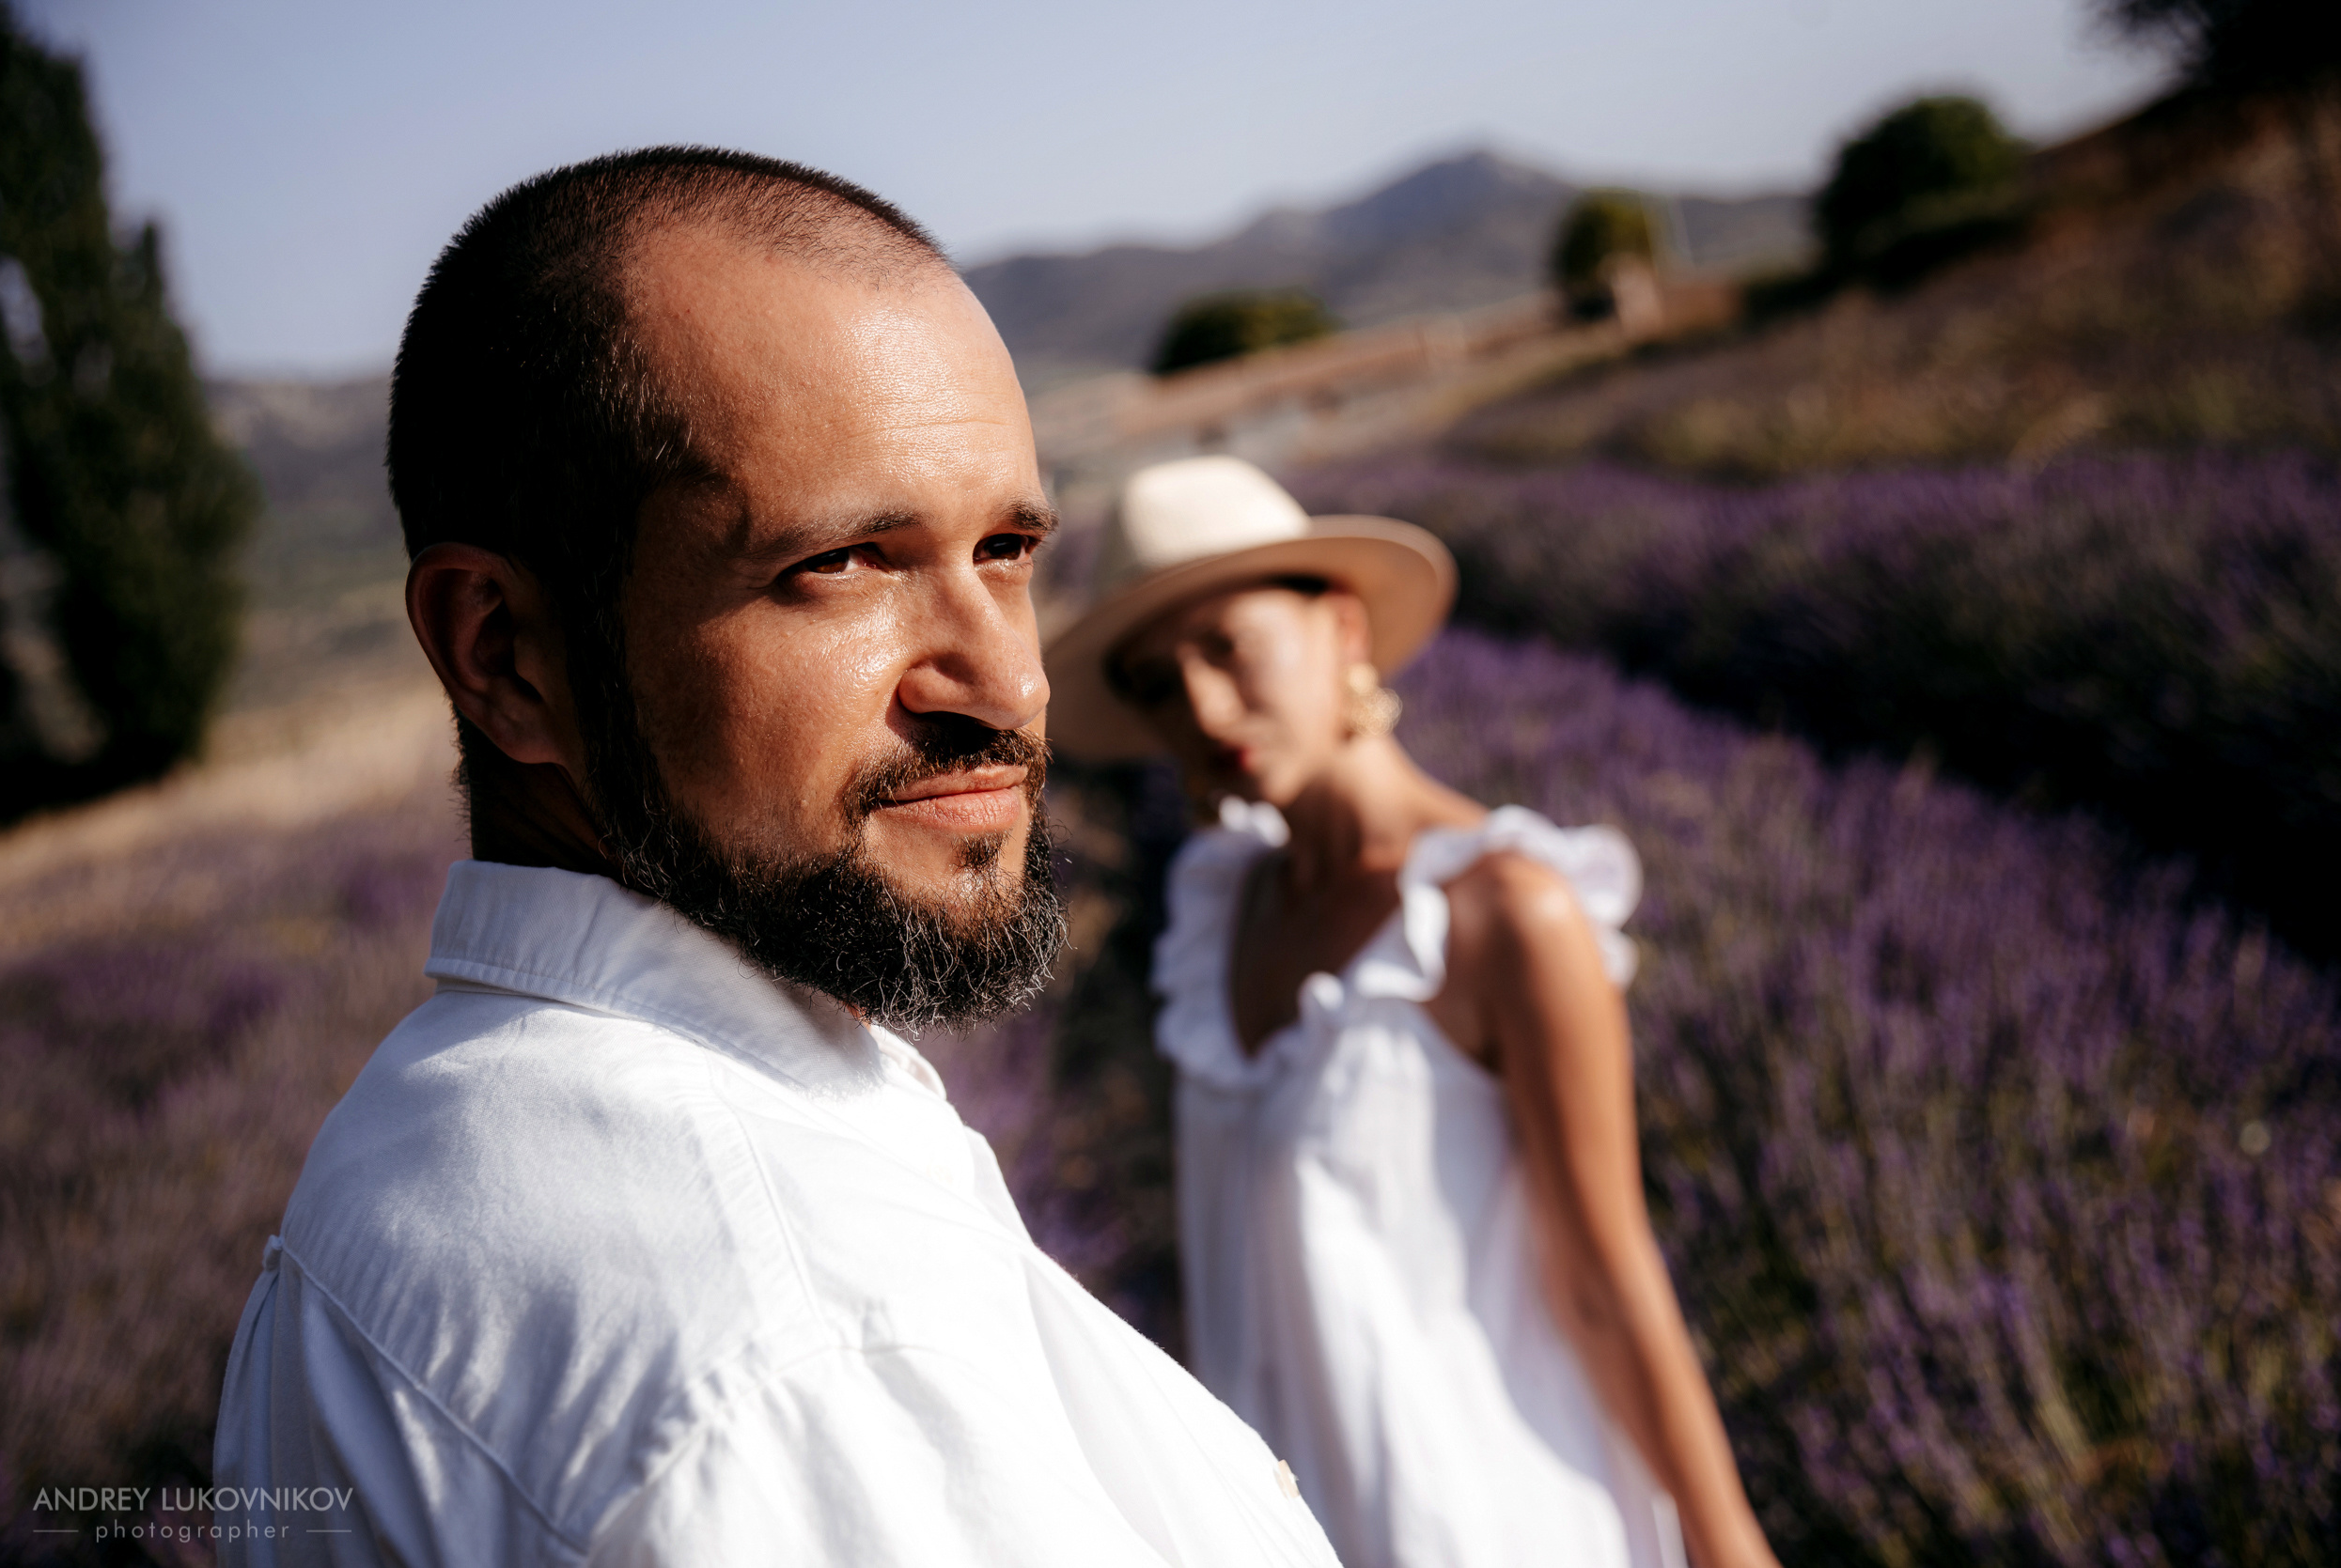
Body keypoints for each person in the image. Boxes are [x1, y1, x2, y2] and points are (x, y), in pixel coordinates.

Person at [211, 152, 1338, 1567]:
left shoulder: (396, 1162)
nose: (1008, 685)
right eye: (847, 562)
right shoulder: (792, 1350)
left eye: (1005, 548)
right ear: (506, 656)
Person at [1044, 457, 1779, 1568]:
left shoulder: (1501, 913)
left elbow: (1608, 1279)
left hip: (1482, 1516)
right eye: (1154, 680)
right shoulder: (1221, 906)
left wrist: (1730, 1550)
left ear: (1341, 628)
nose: (1196, 707)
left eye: (1226, 647)